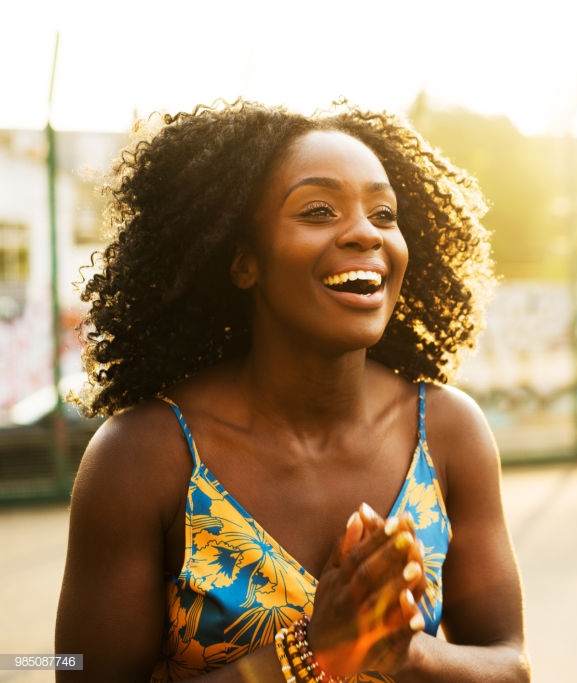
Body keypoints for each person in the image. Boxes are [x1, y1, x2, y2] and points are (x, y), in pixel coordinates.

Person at [55, 98, 531, 682]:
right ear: (243, 261)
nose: (365, 233)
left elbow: (510, 664)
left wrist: (400, 651)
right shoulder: (142, 457)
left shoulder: (447, 432)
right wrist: (311, 652)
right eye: (319, 210)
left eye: (384, 214)